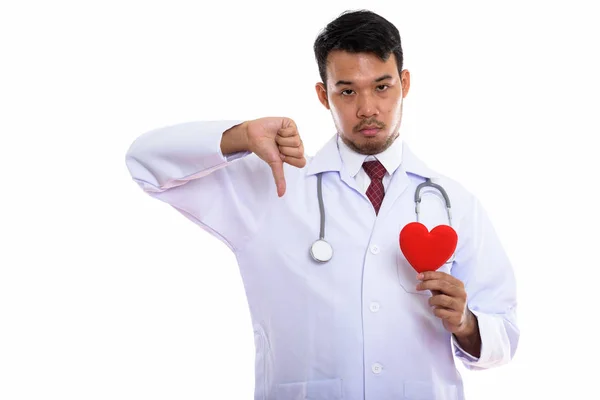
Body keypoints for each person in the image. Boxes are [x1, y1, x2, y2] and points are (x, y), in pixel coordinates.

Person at [125, 9, 518, 400]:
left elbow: (506, 332)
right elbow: (144, 163)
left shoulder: (454, 204)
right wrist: (240, 136)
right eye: (347, 91)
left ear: (405, 83)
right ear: (322, 95)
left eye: (382, 87)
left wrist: (467, 324)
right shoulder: (274, 186)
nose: (367, 108)